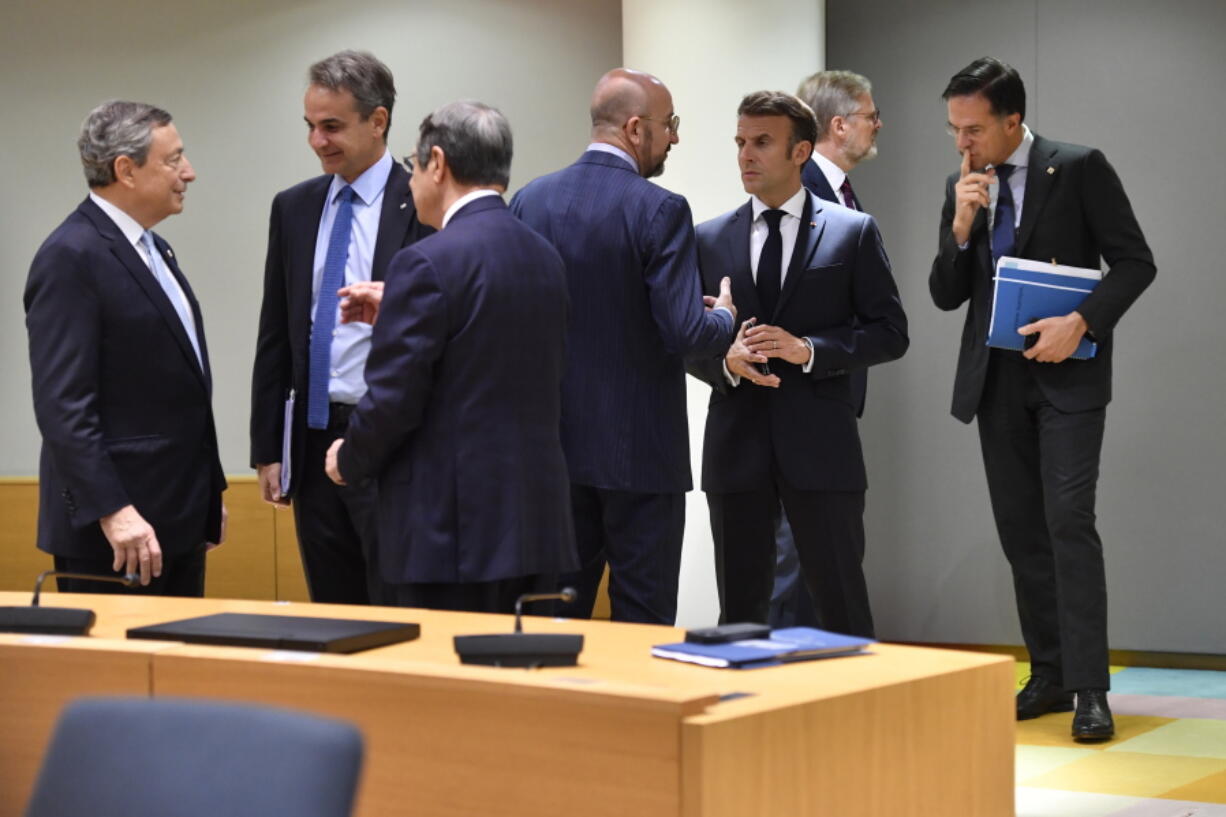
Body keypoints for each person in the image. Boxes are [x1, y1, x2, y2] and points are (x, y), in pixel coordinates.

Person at [930, 57, 1155, 742]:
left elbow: (1136, 260)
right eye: (953, 130)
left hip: (1069, 378)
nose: (962, 143)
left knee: (1068, 523)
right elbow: (946, 293)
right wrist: (961, 227)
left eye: (973, 129)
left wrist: (1082, 320)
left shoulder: (1079, 166)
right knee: (1022, 531)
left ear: (1013, 121)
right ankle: (1050, 673)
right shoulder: (962, 185)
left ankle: (1091, 688)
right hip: (997, 381)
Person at [324, 101, 577, 613]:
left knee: (446, 689)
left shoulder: (425, 262)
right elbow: (485, 352)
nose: (411, 181)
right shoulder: (544, 256)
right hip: (535, 527)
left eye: (413, 166)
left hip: (449, 537)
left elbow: (394, 400)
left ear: (436, 163)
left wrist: (347, 459)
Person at [510, 68, 735, 625]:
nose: (675, 138)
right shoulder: (660, 208)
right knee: (642, 618)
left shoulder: (528, 202)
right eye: (670, 125)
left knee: (552, 619)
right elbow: (684, 333)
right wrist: (725, 318)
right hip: (640, 456)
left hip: (550, 454)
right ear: (637, 129)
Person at [687, 91, 907, 637]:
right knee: (739, 616)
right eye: (740, 142)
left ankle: (861, 716)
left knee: (842, 606)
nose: (746, 155)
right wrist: (727, 360)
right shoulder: (707, 238)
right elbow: (684, 339)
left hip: (822, 448)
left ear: (801, 151)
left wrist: (808, 350)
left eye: (762, 142)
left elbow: (890, 333)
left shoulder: (851, 231)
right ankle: (744, 717)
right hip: (736, 450)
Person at [24, 100, 226, 595]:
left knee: (177, 666)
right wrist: (113, 510)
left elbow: (176, 384)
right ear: (125, 170)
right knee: (120, 675)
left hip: (173, 518)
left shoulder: (154, 249)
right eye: (174, 159)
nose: (189, 172)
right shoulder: (71, 256)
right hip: (117, 532)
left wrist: (207, 489)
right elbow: (63, 405)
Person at [250, 50, 429, 605]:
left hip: (390, 440)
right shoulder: (294, 207)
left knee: (398, 606)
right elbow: (276, 332)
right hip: (311, 437)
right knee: (332, 609)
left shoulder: (423, 202)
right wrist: (267, 448)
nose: (317, 141)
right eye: (310, 126)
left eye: (332, 126)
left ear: (378, 122)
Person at [768, 69, 886, 627]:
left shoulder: (840, 194)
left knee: (823, 562)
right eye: (869, 116)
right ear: (839, 125)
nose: (877, 125)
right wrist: (814, 351)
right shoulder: (800, 191)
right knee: (798, 565)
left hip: (828, 401)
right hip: (798, 408)